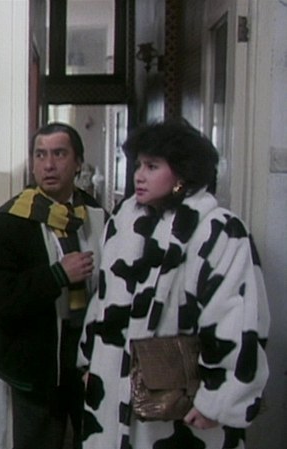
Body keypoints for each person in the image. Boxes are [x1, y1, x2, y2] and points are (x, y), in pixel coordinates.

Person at [77, 120, 270, 448]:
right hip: (114, 393)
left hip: (186, 401)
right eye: (138, 165)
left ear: (182, 174)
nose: (139, 175)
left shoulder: (219, 230)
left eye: (152, 166)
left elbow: (238, 318)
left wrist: (218, 398)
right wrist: (91, 363)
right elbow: (103, 301)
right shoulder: (124, 222)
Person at [0, 122, 106, 449]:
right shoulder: (7, 222)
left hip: (91, 360)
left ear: (78, 162)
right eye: (40, 155)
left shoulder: (98, 217)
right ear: (32, 163)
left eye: (59, 154)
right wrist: (57, 276)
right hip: (36, 364)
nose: (49, 165)